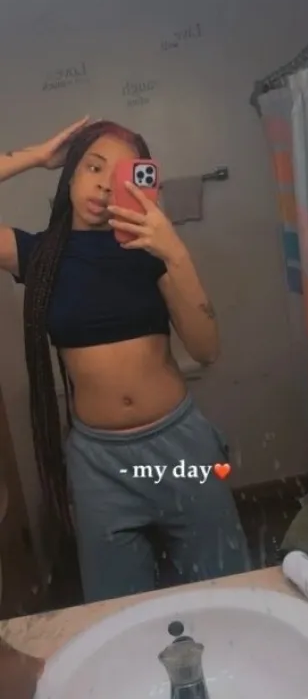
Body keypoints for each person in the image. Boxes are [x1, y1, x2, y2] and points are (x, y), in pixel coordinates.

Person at [0, 118, 250, 604]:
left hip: (181, 449)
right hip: (99, 465)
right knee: (117, 606)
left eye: (118, 174)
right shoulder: (39, 254)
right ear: (69, 174)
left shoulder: (149, 250)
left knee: (224, 586)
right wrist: (34, 155)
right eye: (92, 167)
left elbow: (207, 350)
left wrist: (175, 253)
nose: (101, 184)